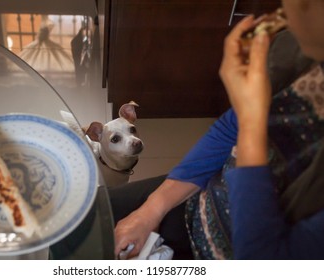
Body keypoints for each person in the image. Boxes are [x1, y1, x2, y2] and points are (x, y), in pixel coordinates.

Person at [109, 0, 324, 260]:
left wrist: (251, 120)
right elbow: (228, 130)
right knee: (86, 215)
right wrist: (149, 211)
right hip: (198, 202)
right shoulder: (295, 50)